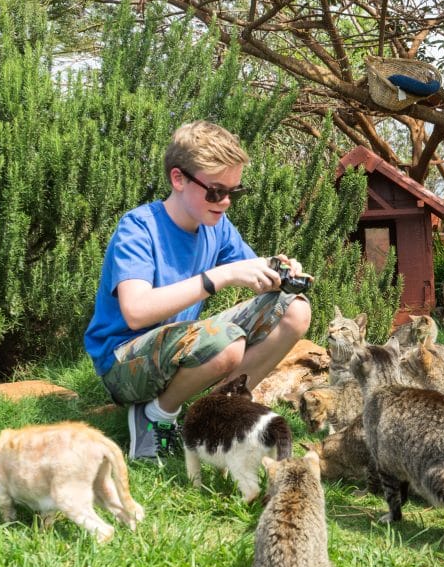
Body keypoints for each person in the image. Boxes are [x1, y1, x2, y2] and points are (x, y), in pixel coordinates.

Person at [84, 121, 311, 461]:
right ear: (179, 179)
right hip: (123, 362)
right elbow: (136, 312)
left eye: (234, 192)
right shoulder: (138, 227)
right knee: (227, 343)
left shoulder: (216, 226)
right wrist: (217, 277)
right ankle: (155, 415)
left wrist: (280, 272)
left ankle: (214, 419)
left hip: (177, 348)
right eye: (216, 191)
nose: (226, 202)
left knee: (295, 309)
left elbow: (257, 279)